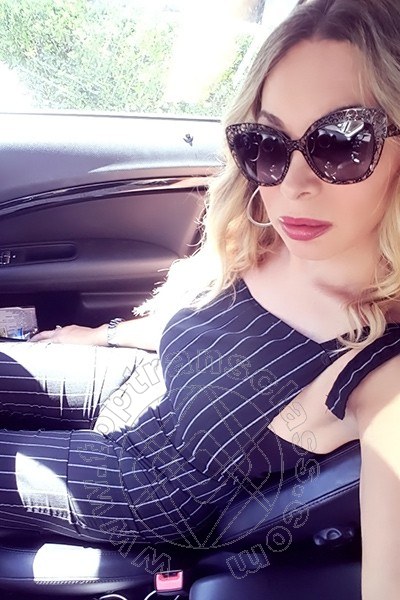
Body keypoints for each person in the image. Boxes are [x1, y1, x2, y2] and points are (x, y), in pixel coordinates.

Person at [1, 0, 400, 596]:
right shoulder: (271, 238)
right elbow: (208, 329)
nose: (292, 185)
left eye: (342, 143)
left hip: (140, 486)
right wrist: (104, 335)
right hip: (138, 386)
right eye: (267, 143)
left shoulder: (385, 373)